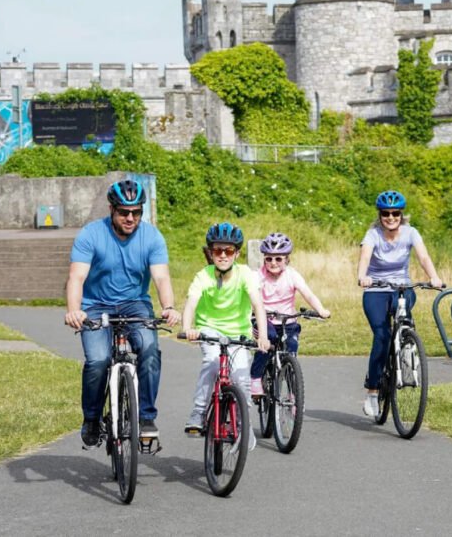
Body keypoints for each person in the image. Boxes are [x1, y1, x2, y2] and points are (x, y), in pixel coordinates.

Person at [64, 179, 181, 448]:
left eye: (136, 212)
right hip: (95, 305)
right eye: (124, 212)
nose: (130, 218)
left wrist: (169, 307)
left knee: (150, 347)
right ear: (111, 210)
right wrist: (74, 311)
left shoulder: (152, 237)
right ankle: (92, 418)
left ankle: (147, 417)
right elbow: (76, 278)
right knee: (98, 360)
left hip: (135, 304)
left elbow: (161, 278)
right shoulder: (91, 234)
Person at [356, 190, 443, 419]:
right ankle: (373, 392)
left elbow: (423, 257)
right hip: (375, 289)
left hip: (401, 287)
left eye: (395, 213)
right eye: (386, 213)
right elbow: (365, 256)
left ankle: (406, 347)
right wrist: (362, 275)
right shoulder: (373, 234)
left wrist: (434, 277)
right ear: (380, 214)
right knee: (382, 336)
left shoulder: (410, 233)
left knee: (404, 317)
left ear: (401, 215)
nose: (391, 217)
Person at [181, 222, 270, 442]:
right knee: (212, 362)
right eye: (217, 250)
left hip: (238, 332)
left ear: (237, 253)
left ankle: (242, 422)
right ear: (210, 253)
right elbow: (191, 303)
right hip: (209, 330)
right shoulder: (204, 275)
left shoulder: (245, 274)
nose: (222, 255)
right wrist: (187, 328)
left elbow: (258, 305)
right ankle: (199, 411)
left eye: (228, 250)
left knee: (241, 376)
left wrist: (264, 337)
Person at [249, 232, 331, 398]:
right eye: (269, 259)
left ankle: (294, 396)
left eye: (278, 259)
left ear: (287, 259)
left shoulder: (292, 275)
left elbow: (308, 294)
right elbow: (252, 298)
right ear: (264, 259)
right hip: (265, 320)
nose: (273, 263)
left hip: (288, 321)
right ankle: (256, 378)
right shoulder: (258, 276)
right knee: (267, 342)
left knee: (291, 349)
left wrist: (321, 309)